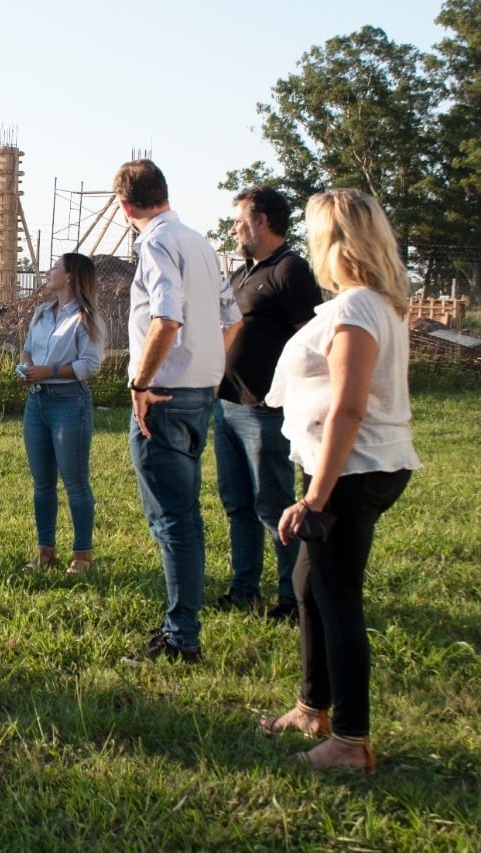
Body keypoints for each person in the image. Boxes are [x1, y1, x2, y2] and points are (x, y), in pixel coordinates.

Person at [259, 189, 419, 773]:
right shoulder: (376, 304)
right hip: (358, 463)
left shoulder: (356, 310)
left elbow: (350, 408)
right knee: (308, 584)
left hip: (350, 470)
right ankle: (311, 708)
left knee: (336, 596)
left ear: (334, 241)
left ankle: (351, 741)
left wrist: (314, 499)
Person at [115, 159, 241, 663]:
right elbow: (231, 319)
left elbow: (166, 318)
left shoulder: (154, 243)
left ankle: (180, 636)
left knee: (171, 522)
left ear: (125, 206)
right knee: (184, 518)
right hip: (199, 392)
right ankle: (181, 625)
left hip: (163, 396)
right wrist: (208, 367)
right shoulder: (202, 243)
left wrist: (141, 382)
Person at [215, 186, 323, 620]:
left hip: (265, 410)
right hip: (227, 404)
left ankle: (290, 598)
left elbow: (310, 341)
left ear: (262, 220)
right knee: (238, 505)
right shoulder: (242, 273)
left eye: (241, 220)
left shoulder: (291, 271)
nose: (235, 228)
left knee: (273, 505)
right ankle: (245, 590)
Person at [18, 252, 104, 574]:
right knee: (42, 483)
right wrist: (28, 367)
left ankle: (82, 557)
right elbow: (27, 346)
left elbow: (90, 365)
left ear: (69, 278)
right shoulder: (41, 312)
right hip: (36, 402)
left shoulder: (86, 317)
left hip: (69, 403)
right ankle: (46, 552)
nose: (49, 271)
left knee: (75, 483)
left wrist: (48, 370)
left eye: (55, 267)